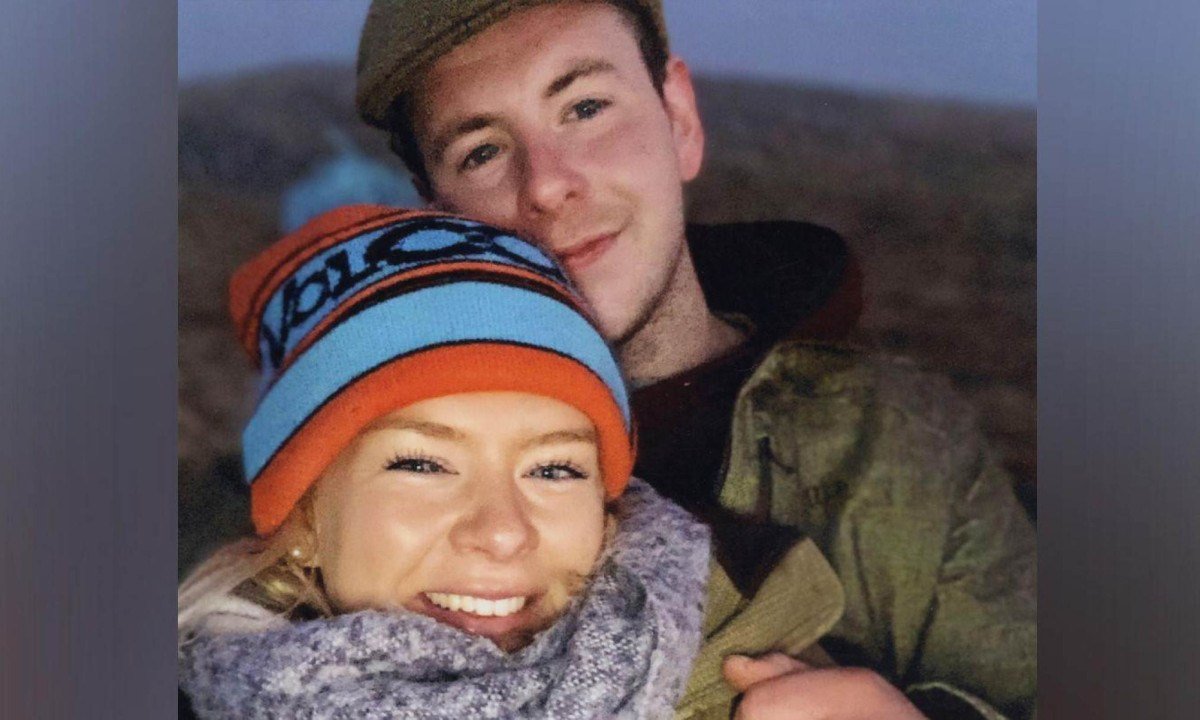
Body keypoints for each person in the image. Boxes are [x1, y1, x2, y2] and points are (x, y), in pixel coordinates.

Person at [354, 2, 1037, 719]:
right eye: (482, 152)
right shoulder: (367, 473)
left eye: (585, 108)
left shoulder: (901, 439)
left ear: (678, 119)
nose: (548, 186)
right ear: (439, 216)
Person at [178, 207, 720, 717]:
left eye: (555, 469)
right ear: (303, 518)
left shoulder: (742, 664)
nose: (502, 532)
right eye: (423, 465)